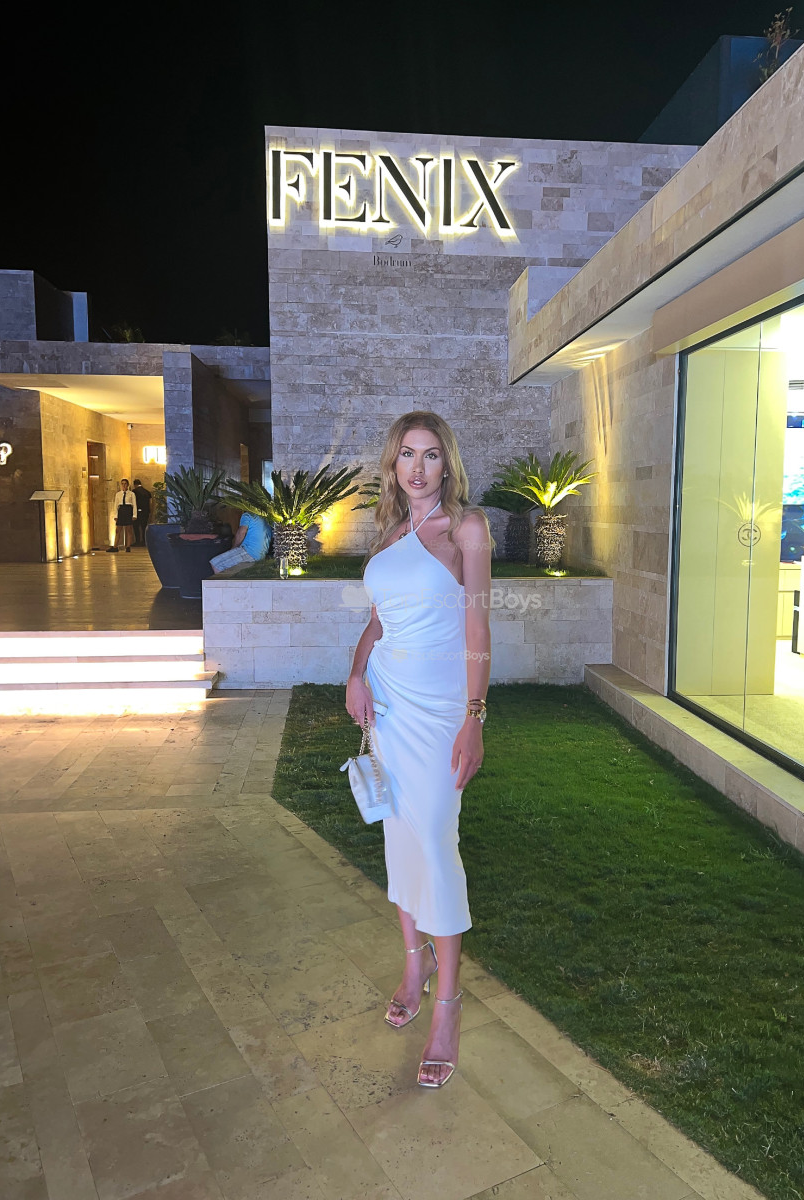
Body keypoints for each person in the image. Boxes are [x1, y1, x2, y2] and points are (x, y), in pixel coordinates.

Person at [346, 411, 492, 1089]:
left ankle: (448, 1006)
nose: (418, 467)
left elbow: (478, 628)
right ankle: (415, 962)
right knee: (399, 836)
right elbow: (377, 623)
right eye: (407, 454)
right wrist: (355, 674)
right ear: (393, 463)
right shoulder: (389, 533)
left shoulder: (466, 529)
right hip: (389, 705)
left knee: (435, 842)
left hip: (440, 713)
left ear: (447, 463)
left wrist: (474, 718)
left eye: (431, 455)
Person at [209, 508, 272, 574]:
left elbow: (241, 532)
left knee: (216, 564)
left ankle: (224, 581)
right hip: (261, 556)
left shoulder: (248, 515)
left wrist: (234, 547)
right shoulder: (266, 521)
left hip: (249, 551)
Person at [108, 479, 136, 552]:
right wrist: (116, 515)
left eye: (125, 483)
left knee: (129, 529)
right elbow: (116, 505)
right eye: (122, 484)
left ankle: (128, 546)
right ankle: (115, 546)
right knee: (118, 530)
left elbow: (134, 505)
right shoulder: (118, 494)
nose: (124, 485)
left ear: (128, 485)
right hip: (121, 511)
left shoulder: (131, 494)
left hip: (128, 510)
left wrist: (134, 515)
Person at [132, 479, 151, 545]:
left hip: (137, 512)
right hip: (146, 512)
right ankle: (144, 541)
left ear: (135, 485)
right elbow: (150, 502)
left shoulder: (134, 492)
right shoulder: (147, 492)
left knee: (136, 527)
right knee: (144, 527)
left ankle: (137, 541)